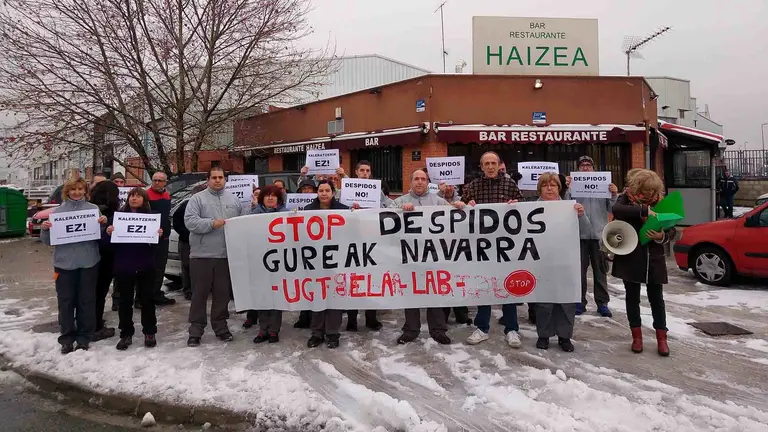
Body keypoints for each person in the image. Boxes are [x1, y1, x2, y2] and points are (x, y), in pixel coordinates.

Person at [391, 169, 465, 345]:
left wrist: (459, 206)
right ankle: (411, 330)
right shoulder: (400, 201)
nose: (419, 182)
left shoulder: (438, 201)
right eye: (416, 178)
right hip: (410, 256)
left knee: (435, 292)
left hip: (434, 256)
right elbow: (384, 216)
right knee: (411, 293)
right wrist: (400, 210)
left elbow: (453, 215)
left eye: (423, 179)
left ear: (427, 182)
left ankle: (438, 330)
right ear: (411, 181)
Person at [461, 151, 524, 348]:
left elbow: (523, 206)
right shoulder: (473, 186)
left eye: (493, 163)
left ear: (498, 165)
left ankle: (511, 328)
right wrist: (466, 204)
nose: (490, 167)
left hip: (506, 246)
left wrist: (517, 205)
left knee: (508, 285)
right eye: (486, 164)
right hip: (482, 246)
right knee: (484, 285)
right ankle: (482, 328)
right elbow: (460, 207)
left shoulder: (510, 184)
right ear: (481, 167)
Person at [40, 177, 108, 354]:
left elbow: (99, 236)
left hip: (89, 263)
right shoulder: (57, 212)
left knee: (87, 301)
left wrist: (103, 225)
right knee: (66, 302)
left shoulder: (93, 209)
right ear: (67, 192)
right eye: (73, 189)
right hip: (64, 265)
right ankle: (67, 339)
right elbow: (47, 241)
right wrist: (45, 229)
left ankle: (84, 337)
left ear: (85, 191)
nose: (76, 192)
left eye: (80, 189)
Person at [612, 169, 675, 357]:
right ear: (637, 187)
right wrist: (644, 210)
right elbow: (617, 210)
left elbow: (672, 229)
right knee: (632, 298)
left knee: (657, 299)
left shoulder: (662, 202)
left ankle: (662, 339)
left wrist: (661, 236)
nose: (649, 194)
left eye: (652, 190)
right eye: (646, 190)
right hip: (630, 256)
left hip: (654, 259)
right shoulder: (626, 198)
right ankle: (637, 337)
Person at [184, 167, 249, 346]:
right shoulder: (197, 199)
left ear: (225, 180)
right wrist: (211, 224)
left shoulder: (233, 200)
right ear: (208, 180)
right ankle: (195, 331)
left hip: (225, 255)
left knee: (222, 295)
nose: (218, 180)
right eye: (214, 177)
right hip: (202, 255)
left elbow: (241, 223)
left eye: (221, 177)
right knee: (199, 295)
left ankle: (221, 327)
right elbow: (190, 221)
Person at [534, 173, 587, 352]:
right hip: (542, 260)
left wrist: (581, 215)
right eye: (545, 185)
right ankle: (544, 335)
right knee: (544, 300)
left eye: (553, 185)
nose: (549, 188)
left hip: (566, 260)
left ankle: (565, 336)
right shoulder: (531, 208)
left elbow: (586, 230)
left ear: (559, 188)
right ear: (540, 189)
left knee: (566, 299)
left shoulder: (570, 207)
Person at [106, 188, 164, 350]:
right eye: (132, 195)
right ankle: (126, 333)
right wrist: (108, 232)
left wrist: (159, 235)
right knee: (125, 301)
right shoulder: (118, 217)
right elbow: (107, 243)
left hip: (145, 264)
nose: (134, 198)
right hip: (124, 264)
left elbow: (157, 244)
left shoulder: (152, 217)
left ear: (144, 199)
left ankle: (149, 332)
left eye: (138, 196)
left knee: (147, 300)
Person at [564, 155, 618, 317]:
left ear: (593, 168)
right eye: (582, 165)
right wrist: (568, 189)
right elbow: (565, 206)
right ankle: (579, 303)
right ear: (578, 168)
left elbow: (612, 209)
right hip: (578, 235)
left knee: (600, 271)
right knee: (579, 272)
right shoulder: (574, 186)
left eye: (588, 165)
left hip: (599, 236)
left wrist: (614, 194)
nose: (585, 168)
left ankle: (602, 303)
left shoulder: (603, 185)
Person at [304, 180, 352, 349]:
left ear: (333, 192)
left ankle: (332, 333)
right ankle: (316, 333)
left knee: (334, 297)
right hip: (316, 261)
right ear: (317, 192)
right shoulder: (307, 210)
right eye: (321, 190)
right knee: (318, 297)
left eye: (327, 190)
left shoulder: (344, 210)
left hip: (336, 260)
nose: (324, 193)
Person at [345, 160, 388, 332]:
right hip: (352, 240)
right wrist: (350, 209)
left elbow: (388, 206)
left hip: (372, 239)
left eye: (367, 171)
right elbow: (338, 209)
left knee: (372, 279)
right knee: (353, 281)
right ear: (356, 172)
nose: (365, 173)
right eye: (362, 170)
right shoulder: (347, 189)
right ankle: (352, 320)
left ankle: (371, 318)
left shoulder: (377, 190)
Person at [249, 185, 290, 343]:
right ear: (262, 198)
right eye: (267, 195)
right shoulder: (252, 216)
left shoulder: (286, 214)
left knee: (276, 296)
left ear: (279, 199)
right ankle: (262, 329)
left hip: (279, 261)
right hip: (259, 261)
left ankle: (273, 330)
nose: (270, 198)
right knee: (262, 296)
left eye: (274, 195)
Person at [436, 181, 473, 326]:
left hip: (459, 246)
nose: (448, 187)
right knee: (443, 282)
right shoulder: (435, 199)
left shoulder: (461, 199)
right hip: (441, 246)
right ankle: (443, 315)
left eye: (451, 185)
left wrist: (464, 206)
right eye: (445, 184)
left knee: (459, 281)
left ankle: (462, 315)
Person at [89, 181, 120, 342]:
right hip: (105, 257)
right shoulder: (111, 214)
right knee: (99, 293)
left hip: (88, 257)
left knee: (89, 292)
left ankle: (88, 322)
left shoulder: (89, 209)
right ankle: (96, 326)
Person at [144, 171, 176, 307]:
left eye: (160, 180)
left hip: (163, 237)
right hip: (150, 239)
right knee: (149, 269)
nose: (156, 183)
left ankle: (156, 294)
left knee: (160, 268)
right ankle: (143, 297)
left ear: (165, 182)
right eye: (154, 180)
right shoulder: (146, 195)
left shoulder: (166, 195)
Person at [172, 184, 207, 301]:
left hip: (204, 242)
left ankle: (203, 288)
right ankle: (188, 290)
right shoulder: (185, 206)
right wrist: (188, 234)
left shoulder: (208, 207)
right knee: (187, 266)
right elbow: (177, 223)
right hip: (187, 241)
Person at [291, 179, 317, 329]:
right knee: (305, 284)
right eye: (304, 189)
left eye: (309, 188)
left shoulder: (318, 205)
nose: (307, 191)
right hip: (302, 248)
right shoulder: (293, 204)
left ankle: (314, 316)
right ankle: (304, 316)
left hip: (318, 250)